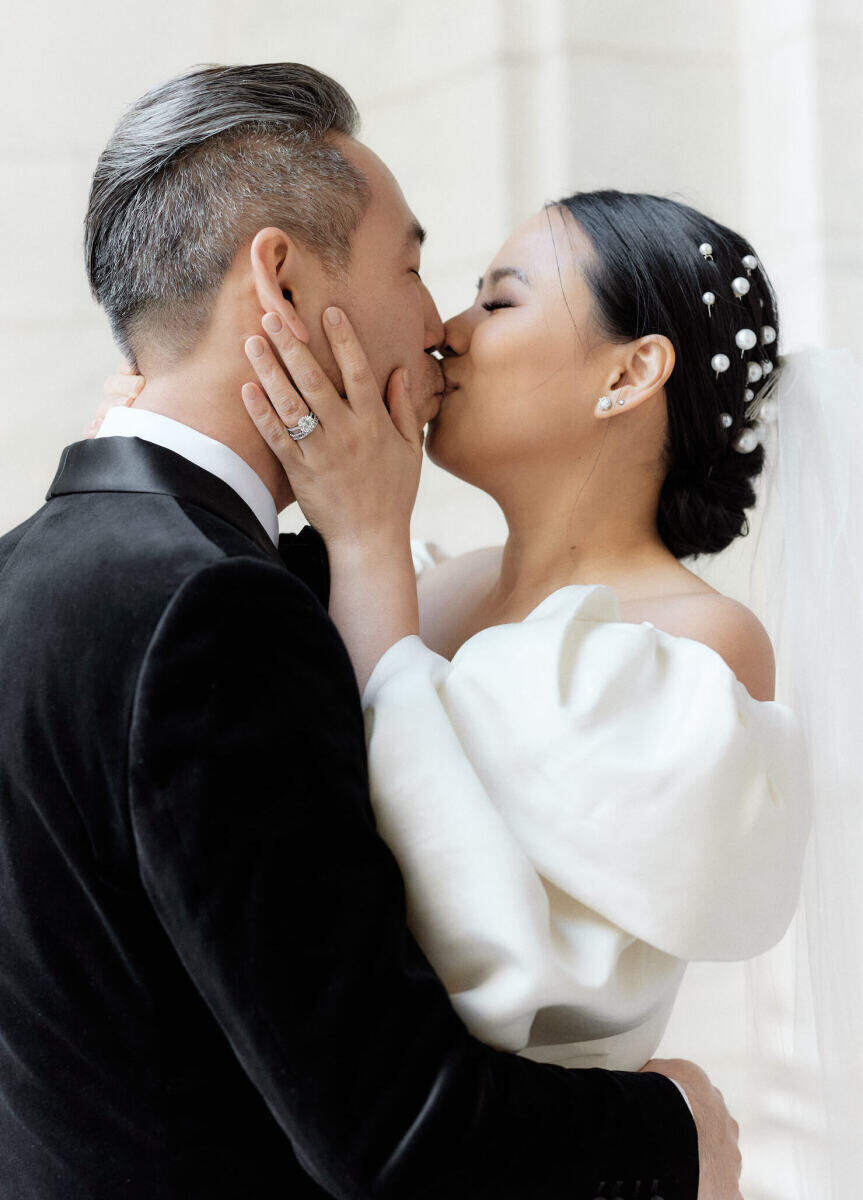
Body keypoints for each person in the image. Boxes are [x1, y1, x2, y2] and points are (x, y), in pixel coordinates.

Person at [0, 62, 742, 1200]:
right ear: (281, 283)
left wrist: (363, 537)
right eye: (411, 263)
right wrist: (674, 1135)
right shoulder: (215, 614)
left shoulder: (39, 562)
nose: (435, 324)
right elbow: (394, 1130)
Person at [238, 195, 809, 1072]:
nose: (448, 332)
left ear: (629, 374)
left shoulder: (697, 648)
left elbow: (479, 950)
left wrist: (365, 541)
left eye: (499, 302)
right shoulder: (421, 578)